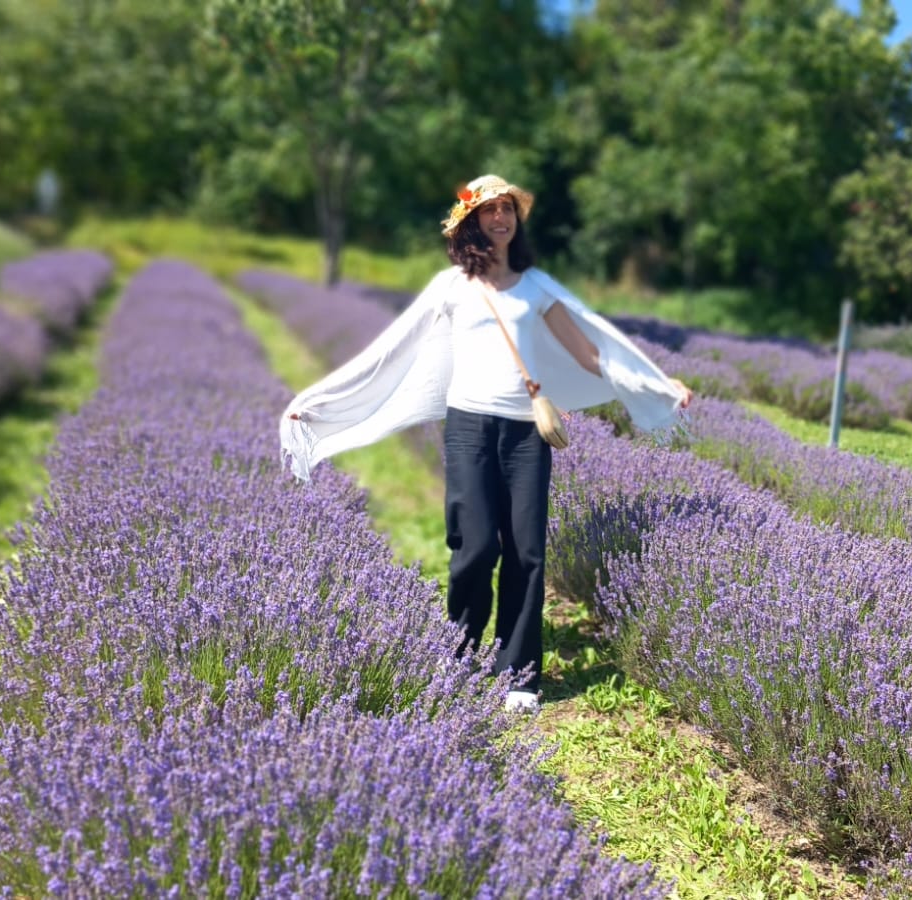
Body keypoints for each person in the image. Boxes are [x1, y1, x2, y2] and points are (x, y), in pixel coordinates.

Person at [280, 174, 692, 713]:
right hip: (469, 428)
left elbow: (591, 353)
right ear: (470, 221)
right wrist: (320, 399)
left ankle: (518, 671)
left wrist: (659, 385)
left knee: (526, 550)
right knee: (473, 548)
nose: (501, 218)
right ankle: (460, 654)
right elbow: (390, 352)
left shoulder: (536, 287)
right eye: (490, 210)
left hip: (526, 432)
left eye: (508, 210)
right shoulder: (452, 286)